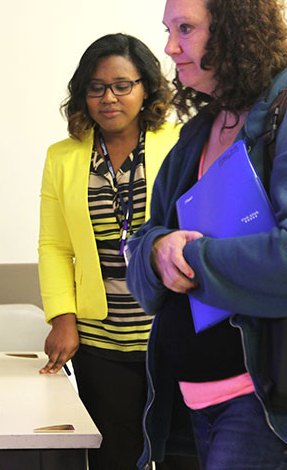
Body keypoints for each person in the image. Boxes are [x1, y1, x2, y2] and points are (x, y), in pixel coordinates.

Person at [126, 0, 287, 470]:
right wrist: (157, 252)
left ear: (232, 31)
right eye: (168, 29)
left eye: (185, 28)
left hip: (272, 410)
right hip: (198, 402)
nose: (169, 47)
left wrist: (195, 261)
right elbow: (146, 240)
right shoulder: (196, 134)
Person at [38, 33, 197, 470]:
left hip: (174, 331)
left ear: (146, 88)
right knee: (114, 458)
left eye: (122, 85)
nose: (108, 97)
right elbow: (54, 246)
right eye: (96, 87)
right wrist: (63, 320)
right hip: (100, 341)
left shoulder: (182, 142)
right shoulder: (63, 157)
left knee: (186, 458)